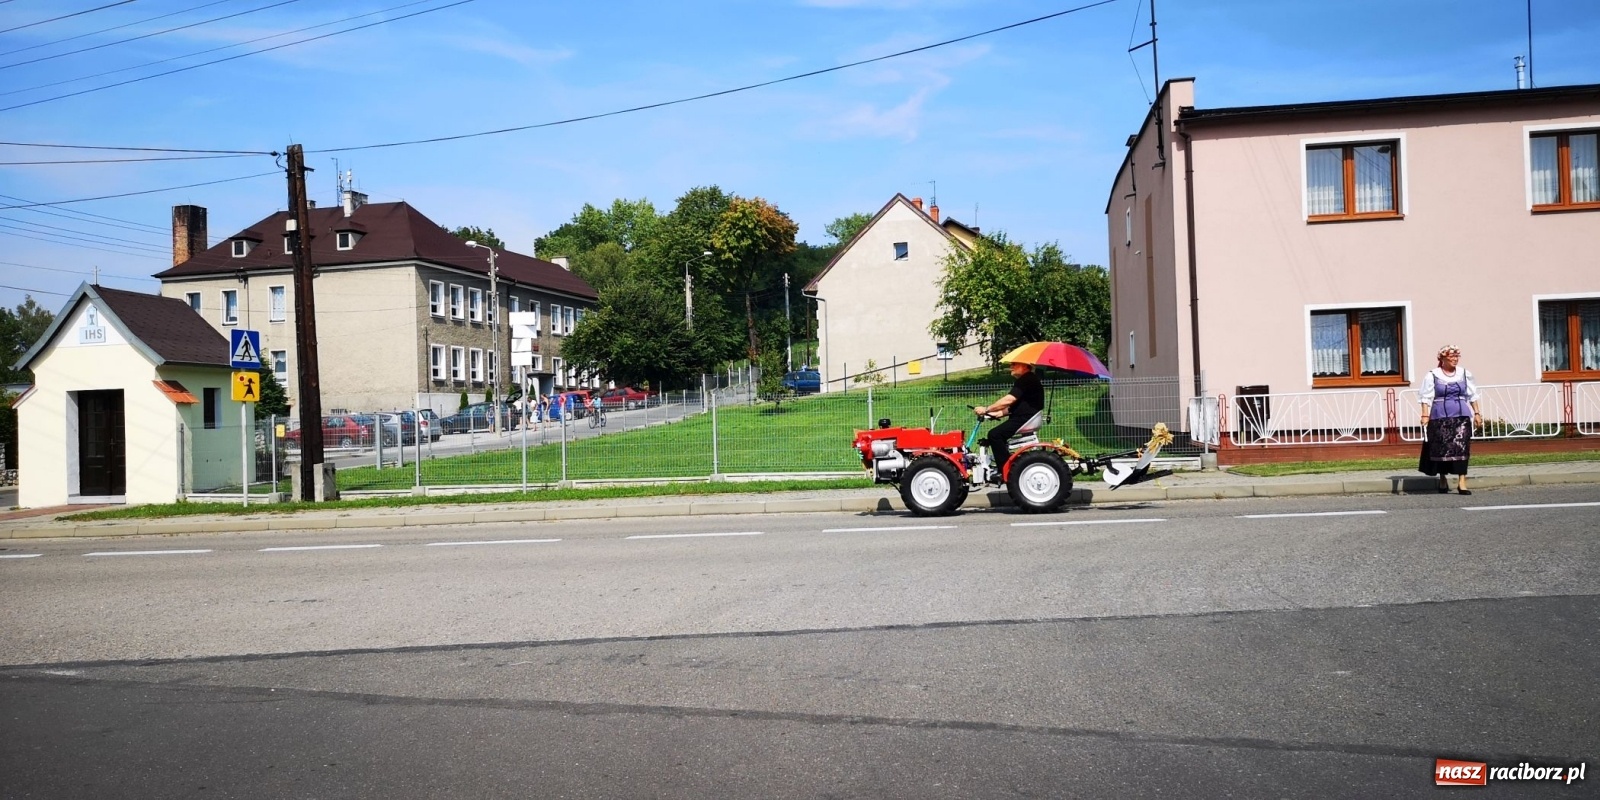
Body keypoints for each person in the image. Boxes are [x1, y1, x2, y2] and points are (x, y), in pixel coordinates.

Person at [1418, 345, 1483, 494]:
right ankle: (1442, 479)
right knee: (1442, 448)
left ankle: (1462, 482)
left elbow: (1472, 395)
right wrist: (1424, 415)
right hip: (1439, 415)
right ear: (1442, 359)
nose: (1454, 359)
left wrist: (1477, 413)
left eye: (1456, 357)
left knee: (1462, 447)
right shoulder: (1432, 375)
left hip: (1461, 416)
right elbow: (1425, 397)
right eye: (1451, 357)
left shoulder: (1465, 373)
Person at [974, 360, 1045, 481]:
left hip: (1024, 418)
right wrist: (997, 414)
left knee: (995, 435)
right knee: (997, 435)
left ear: (1025, 366)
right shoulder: (1028, 379)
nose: (1010, 367)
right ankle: (1006, 467)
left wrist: (986, 409)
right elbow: (1015, 407)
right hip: (1024, 416)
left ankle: (1005, 470)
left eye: (1014, 364)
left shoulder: (1026, 379)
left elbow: (1009, 400)